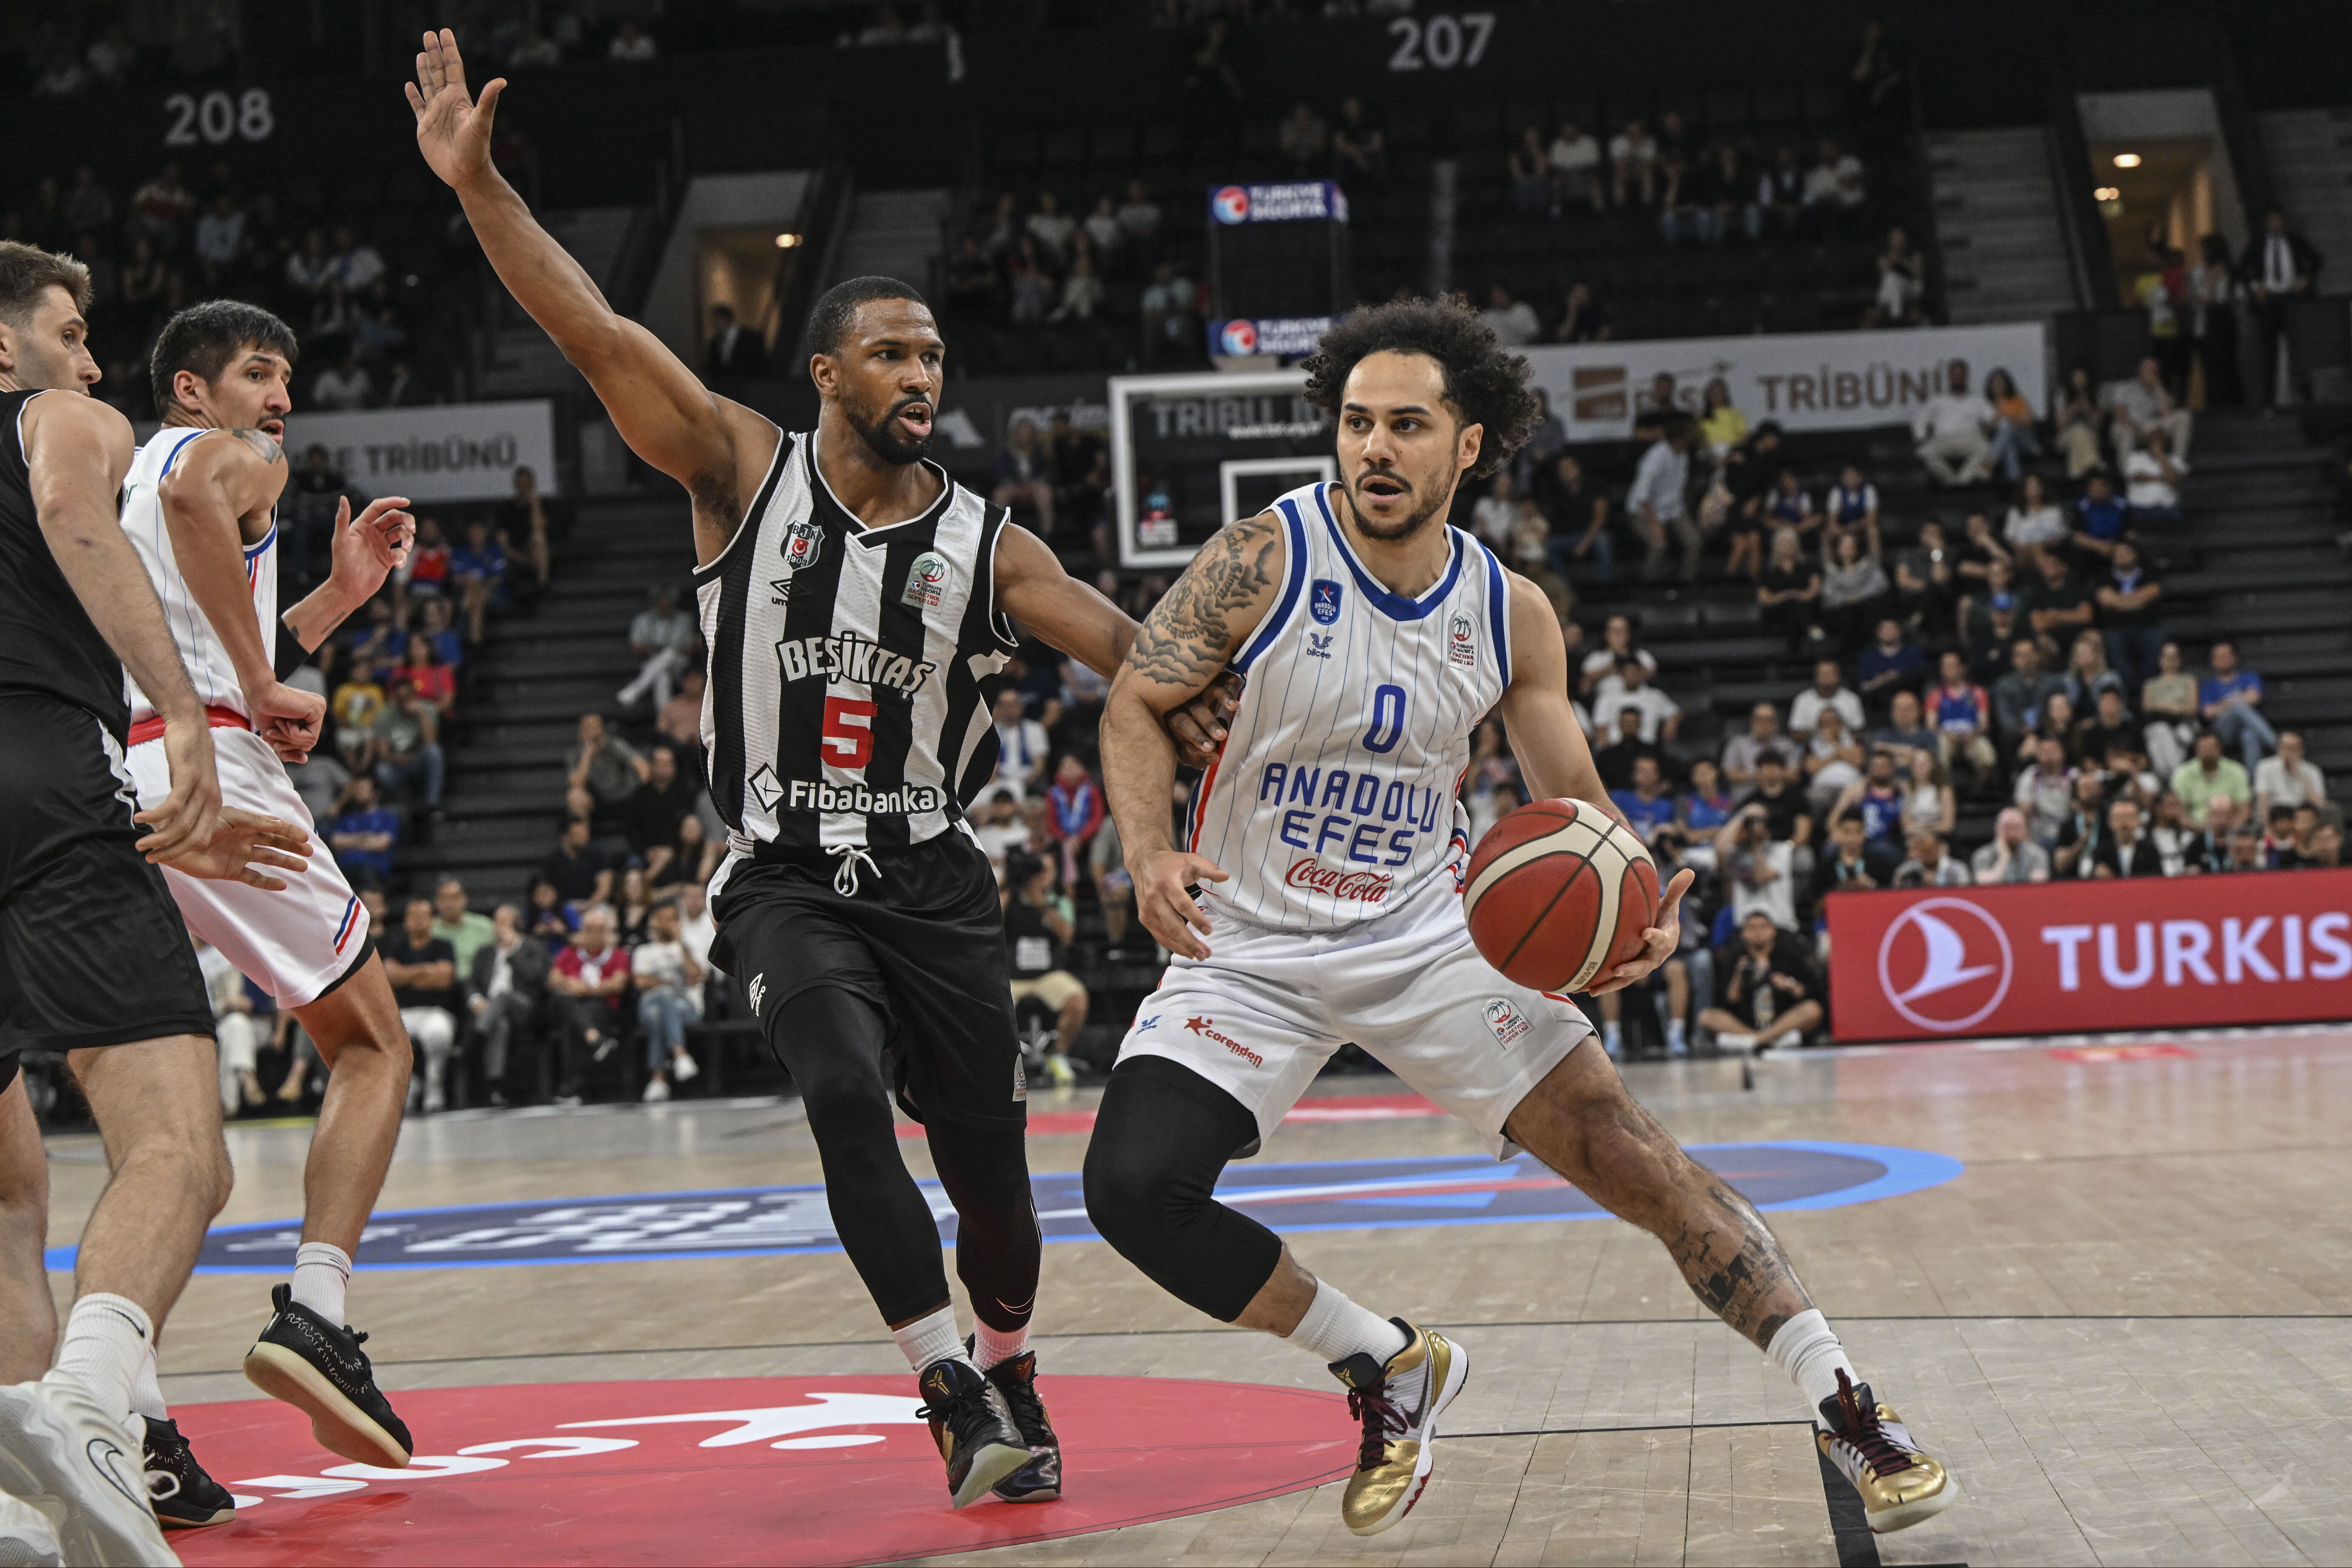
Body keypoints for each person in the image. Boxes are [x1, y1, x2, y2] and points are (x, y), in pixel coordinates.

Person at [409, 32, 1236, 1512]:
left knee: (996, 1193)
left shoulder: (988, 543)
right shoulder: (740, 466)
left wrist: (1224, 706)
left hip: (934, 875)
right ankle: (946, 1384)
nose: (922, 373)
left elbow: (1129, 649)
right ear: (829, 369)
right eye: (895, 353)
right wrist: (481, 191)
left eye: (934, 355)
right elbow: (595, 329)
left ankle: (1009, 1355)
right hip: (783, 870)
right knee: (844, 1092)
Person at [1086, 298, 1952, 1537]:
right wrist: (1147, 850)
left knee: (1636, 1161)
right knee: (1131, 1188)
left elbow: (1577, 804)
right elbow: (1133, 700)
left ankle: (1846, 1401)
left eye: (1406, 424)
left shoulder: (1507, 611)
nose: (1374, 447)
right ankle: (1382, 1357)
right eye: (1356, 422)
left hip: (1429, 936)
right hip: (1251, 948)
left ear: (1469, 444)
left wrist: (1636, 908)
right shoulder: (1262, 559)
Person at [0, 245, 330, 1563]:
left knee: (8, 1190)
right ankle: (93, 1406)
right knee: (182, 1145)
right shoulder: (61, 419)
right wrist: (187, 716)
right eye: (72, 333)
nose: (92, 362)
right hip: (38, 761)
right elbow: (75, 515)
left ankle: (18, 1485)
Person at [1698, 911, 1826, 1053]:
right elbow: (1731, 1000)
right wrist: (1739, 975)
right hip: (1746, 1022)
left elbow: (1805, 992)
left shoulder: (1788, 955)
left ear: (1773, 931)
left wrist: (1788, 984)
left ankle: (1754, 1041)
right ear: (1743, 933)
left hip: (1782, 1020)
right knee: (1706, 1017)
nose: (1758, 932)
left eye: (1763, 927)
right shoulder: (1735, 957)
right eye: (1752, 928)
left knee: (1813, 1009)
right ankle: (1769, 1040)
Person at [382, 898, 461, 1113]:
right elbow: (389, 977)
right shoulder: (396, 948)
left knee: (438, 1034)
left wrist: (406, 975)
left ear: (432, 920)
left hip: (436, 1012)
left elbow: (444, 978)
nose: (418, 921)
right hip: (403, 1013)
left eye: (423, 916)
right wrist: (426, 971)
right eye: (413, 916)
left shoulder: (443, 946)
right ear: (406, 921)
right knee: (385, 1035)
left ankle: (435, 1087)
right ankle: (411, 1083)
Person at [466, 904, 549, 1106]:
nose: (499, 926)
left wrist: (513, 952)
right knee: (500, 1025)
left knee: (503, 996)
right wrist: (476, 999)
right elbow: (471, 983)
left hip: (525, 1008)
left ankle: (476, 1038)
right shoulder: (486, 952)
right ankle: (495, 1088)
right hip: (492, 1012)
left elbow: (535, 978)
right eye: (497, 921)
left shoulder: (532, 948)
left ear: (517, 924)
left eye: (504, 922)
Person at [2239, 208, 2322, 407]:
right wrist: (2256, 286)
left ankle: (2306, 395)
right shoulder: (2258, 244)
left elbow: (2316, 260)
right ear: (2267, 222)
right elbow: (2243, 268)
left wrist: (2305, 278)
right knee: (2268, 351)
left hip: (2292, 300)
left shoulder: (2295, 240)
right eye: (2272, 220)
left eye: (2278, 220)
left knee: (2299, 349)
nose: (2276, 224)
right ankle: (2268, 400)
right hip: (2269, 300)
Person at [631, 901, 705, 1101]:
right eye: (663, 919)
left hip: (686, 1006)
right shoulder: (644, 951)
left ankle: (658, 1079)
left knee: (659, 1012)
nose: (668, 924)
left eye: (673, 919)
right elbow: (641, 982)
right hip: (649, 1005)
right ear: (654, 922)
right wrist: (668, 984)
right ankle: (680, 1054)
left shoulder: (689, 947)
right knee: (660, 1004)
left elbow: (696, 976)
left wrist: (681, 944)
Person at [1629, 413, 1700, 581]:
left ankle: (1687, 581)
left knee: (1694, 541)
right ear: (1679, 439)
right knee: (1659, 544)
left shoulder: (1683, 454)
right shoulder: (1655, 459)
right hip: (1644, 511)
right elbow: (1642, 496)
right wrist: (1654, 524)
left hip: (1674, 508)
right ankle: (1650, 583)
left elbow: (1678, 485)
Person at [2199, 640, 2278, 773]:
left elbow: (2255, 698)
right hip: (2222, 731)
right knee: (2238, 708)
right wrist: (2235, 701)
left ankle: (2253, 780)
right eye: (2219, 657)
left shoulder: (2249, 677)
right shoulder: (2208, 686)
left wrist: (2224, 704)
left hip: (2247, 727)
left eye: (2227, 656)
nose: (2223, 660)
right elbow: (2209, 712)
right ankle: (2276, 744)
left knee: (2250, 735)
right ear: (2213, 661)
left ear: (2235, 658)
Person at [617, 583, 699, 709]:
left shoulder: (685, 620)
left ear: (674, 601)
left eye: (667, 599)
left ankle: (635, 689)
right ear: (655, 601)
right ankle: (663, 716)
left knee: (669, 653)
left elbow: (690, 649)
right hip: (652, 662)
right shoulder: (642, 620)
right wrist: (654, 648)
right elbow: (636, 648)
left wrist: (670, 649)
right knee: (662, 676)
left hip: (679, 665)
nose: (664, 603)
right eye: (661, 600)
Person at [1911, 361, 1991, 485]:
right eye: (1954, 375)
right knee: (1923, 453)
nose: (1957, 378)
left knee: (1988, 449)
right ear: (1950, 377)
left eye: (1960, 375)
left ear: (1966, 377)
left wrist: (1988, 430)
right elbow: (1921, 419)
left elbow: (1992, 418)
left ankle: (1963, 481)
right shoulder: (1937, 400)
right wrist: (1921, 436)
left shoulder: (1978, 400)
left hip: (1970, 437)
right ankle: (1953, 481)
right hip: (1943, 439)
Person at [2255, 730, 2327, 822]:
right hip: (2276, 816)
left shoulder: (2313, 770)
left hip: (2302, 816)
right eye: (2286, 748)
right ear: (2279, 749)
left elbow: (2320, 804)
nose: (2289, 753)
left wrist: (2299, 775)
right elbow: (2262, 799)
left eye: (2294, 749)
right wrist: (2267, 825)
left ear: (2302, 750)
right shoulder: (2265, 767)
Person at [1971, 807, 2051, 883]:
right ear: (1997, 829)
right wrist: (2004, 858)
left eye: (2017, 828)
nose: (2013, 833)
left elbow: (2038, 885)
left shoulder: (2038, 854)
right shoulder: (1982, 855)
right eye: (2008, 827)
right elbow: (1985, 886)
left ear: (2025, 830)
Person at [2091, 797, 2164, 879]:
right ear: (2110, 822)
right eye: (2119, 818)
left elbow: (2158, 880)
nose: (2124, 823)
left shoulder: (2150, 851)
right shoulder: (2101, 852)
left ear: (2138, 821)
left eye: (2129, 817)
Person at [703, 302, 768, 380]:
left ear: (725, 319)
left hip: (747, 383)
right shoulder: (715, 342)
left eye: (717, 320)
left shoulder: (750, 338)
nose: (714, 324)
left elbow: (757, 363)